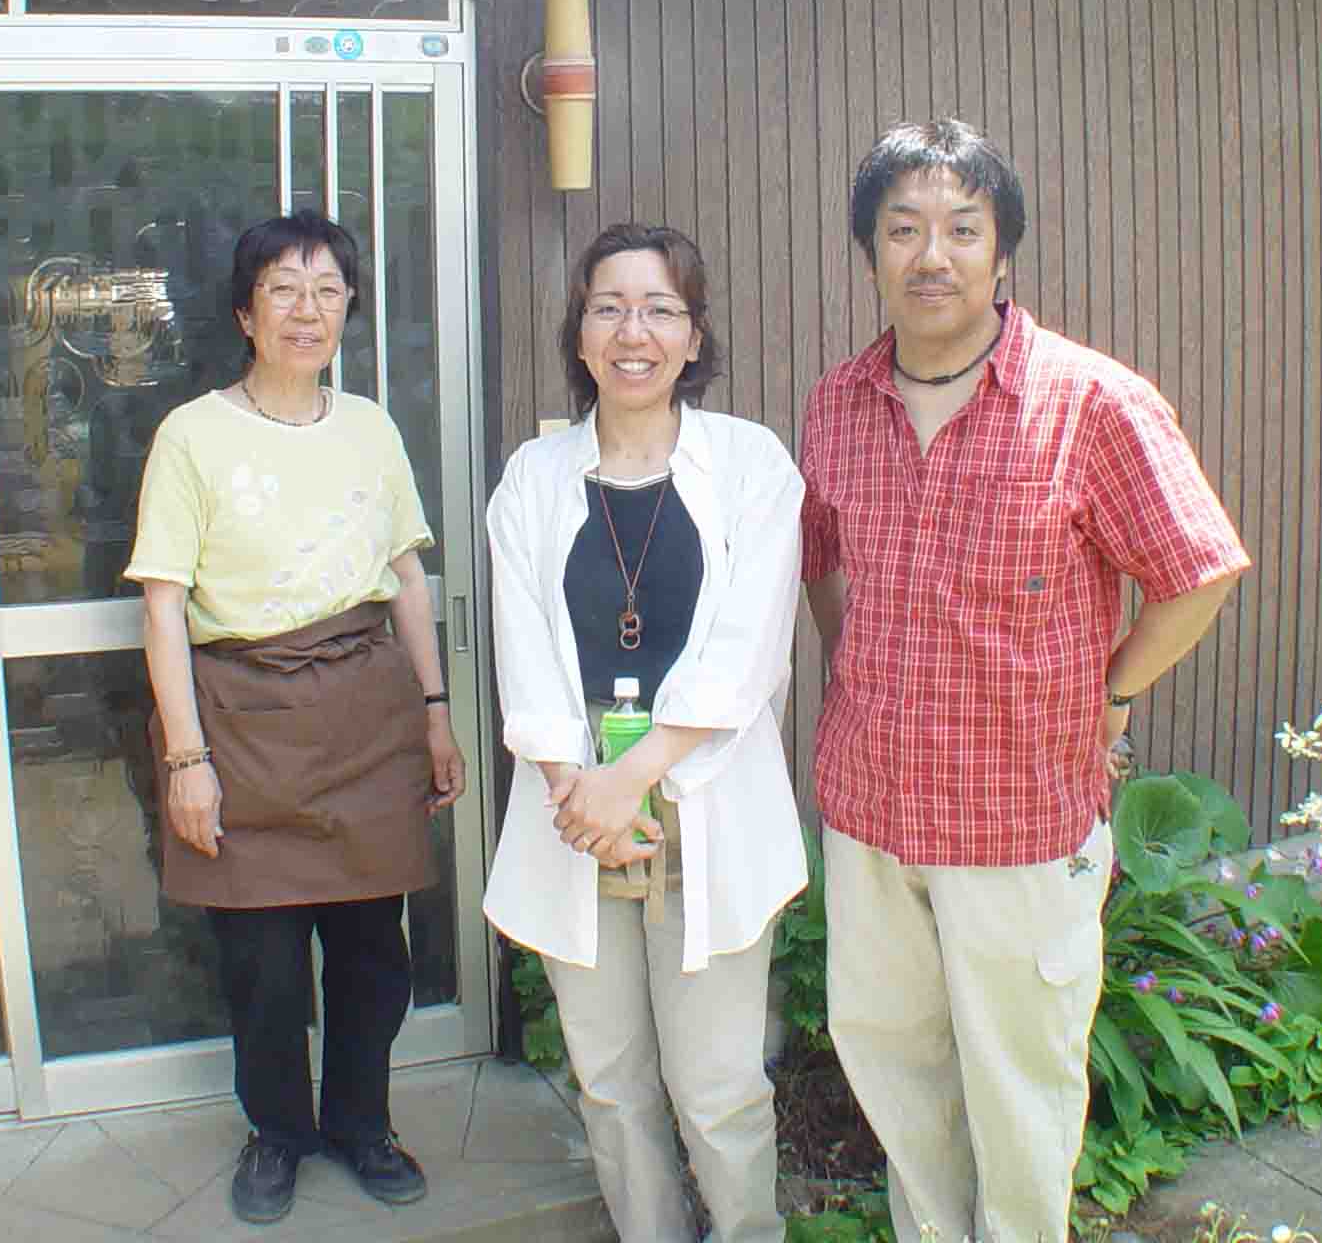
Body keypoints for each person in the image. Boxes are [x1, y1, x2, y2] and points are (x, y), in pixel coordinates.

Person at [799, 121, 1251, 1243]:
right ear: (869, 252)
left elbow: (1197, 573)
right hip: (870, 814)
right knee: (894, 1066)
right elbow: (823, 566)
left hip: (1018, 820)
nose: (931, 255)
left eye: (962, 229)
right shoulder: (837, 404)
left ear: (1002, 251)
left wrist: (1113, 695)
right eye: (902, 229)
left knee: (1020, 1095)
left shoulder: (1092, 403)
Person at [125, 208, 465, 1227]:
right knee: (263, 970)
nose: (306, 310)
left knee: (373, 958)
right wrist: (186, 758)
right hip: (241, 722)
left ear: (349, 307)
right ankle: (277, 1133)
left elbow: (408, 577)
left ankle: (362, 1125)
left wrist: (435, 712)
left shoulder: (370, 428)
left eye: (326, 290)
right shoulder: (191, 435)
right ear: (245, 313)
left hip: (365, 719)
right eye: (283, 289)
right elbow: (162, 606)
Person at [484, 224, 807, 1243]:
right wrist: (582, 788)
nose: (635, 332)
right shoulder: (534, 476)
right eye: (609, 308)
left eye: (661, 309)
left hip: (702, 784)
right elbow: (523, 655)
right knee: (612, 1082)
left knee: (718, 1086)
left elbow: (749, 649)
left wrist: (637, 778)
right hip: (573, 798)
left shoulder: (750, 464)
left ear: (694, 336)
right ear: (579, 334)